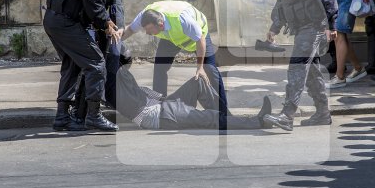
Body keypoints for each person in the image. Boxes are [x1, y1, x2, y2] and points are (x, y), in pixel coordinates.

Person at [43, 0, 130, 132]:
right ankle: (94, 115)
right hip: (65, 24)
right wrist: (107, 23)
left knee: (72, 65)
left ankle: (62, 117)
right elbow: (94, 6)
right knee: (96, 63)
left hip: (56, 21)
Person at [262, 0, 338, 131]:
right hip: (301, 27)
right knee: (311, 72)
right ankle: (323, 113)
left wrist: (331, 25)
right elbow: (283, 1)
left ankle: (287, 116)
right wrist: (275, 27)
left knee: (297, 67)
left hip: (314, 26)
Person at [114, 0, 228, 128]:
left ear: (160, 24)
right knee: (159, 67)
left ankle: (225, 113)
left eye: (149, 30)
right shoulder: (146, 15)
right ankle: (161, 103)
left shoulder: (182, 20)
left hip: (198, 35)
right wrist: (116, 40)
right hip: (173, 37)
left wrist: (200, 68)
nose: (147, 33)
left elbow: (199, 39)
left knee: (210, 71)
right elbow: (130, 30)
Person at [113, 65, 269, 130]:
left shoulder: (121, 76)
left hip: (163, 105)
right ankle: (260, 121)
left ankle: (229, 120)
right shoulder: (117, 78)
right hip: (159, 114)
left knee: (198, 82)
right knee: (209, 117)